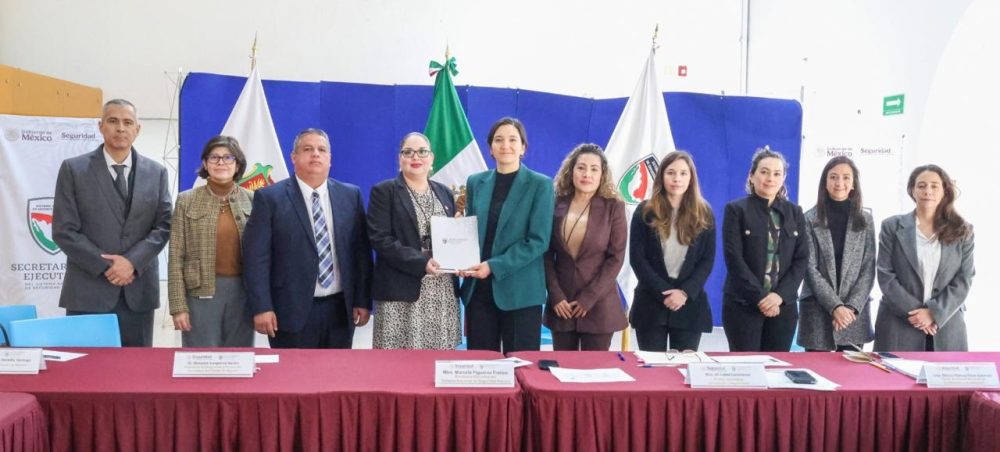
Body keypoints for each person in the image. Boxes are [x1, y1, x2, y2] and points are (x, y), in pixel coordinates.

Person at [52, 99, 172, 347]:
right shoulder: (74, 169)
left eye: (128, 122)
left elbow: (163, 226)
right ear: (101, 126)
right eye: (113, 121)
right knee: (86, 367)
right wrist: (108, 266)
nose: (120, 128)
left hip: (138, 292)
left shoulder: (156, 172)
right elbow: (64, 230)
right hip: (88, 291)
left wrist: (131, 262)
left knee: (137, 368)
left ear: (137, 129)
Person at [243, 128, 373, 349]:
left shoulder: (350, 195)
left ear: (330, 159)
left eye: (322, 150)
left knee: (336, 371)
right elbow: (256, 259)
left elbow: (361, 253)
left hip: (340, 310)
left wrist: (362, 300)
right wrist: (262, 306)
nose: (315, 154)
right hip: (289, 311)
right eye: (307, 149)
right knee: (292, 372)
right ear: (293, 157)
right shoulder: (269, 198)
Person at [461, 117, 554, 352]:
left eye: (513, 140)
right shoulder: (475, 182)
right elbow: (470, 230)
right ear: (490, 148)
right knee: (481, 365)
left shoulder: (540, 185)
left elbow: (538, 241)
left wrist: (493, 266)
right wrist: (460, 259)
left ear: (523, 147)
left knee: (520, 365)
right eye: (498, 140)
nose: (505, 145)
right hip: (479, 289)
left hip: (520, 291)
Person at [367, 132, 461, 349]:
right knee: (398, 362)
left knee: (437, 361)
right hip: (400, 294)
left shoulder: (445, 193)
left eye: (422, 152)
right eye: (408, 152)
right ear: (400, 158)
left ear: (432, 158)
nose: (415, 157)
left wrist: (460, 254)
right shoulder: (385, 191)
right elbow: (380, 239)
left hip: (441, 293)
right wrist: (421, 262)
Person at [874, 164, 974, 351]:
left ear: (944, 190)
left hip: (946, 326)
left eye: (934, 186)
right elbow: (885, 275)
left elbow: (964, 278)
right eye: (921, 186)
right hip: (898, 325)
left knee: (945, 371)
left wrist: (933, 313)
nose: (928, 191)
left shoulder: (962, 230)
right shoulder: (891, 226)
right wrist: (917, 314)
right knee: (895, 371)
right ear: (912, 190)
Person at [167, 136, 255, 347]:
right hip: (200, 293)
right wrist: (178, 306)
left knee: (239, 358)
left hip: (243, 293)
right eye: (214, 157)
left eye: (228, 157)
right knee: (201, 357)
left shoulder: (254, 200)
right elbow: (176, 257)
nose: (221, 162)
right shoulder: (186, 200)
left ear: (237, 165)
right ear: (205, 164)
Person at [722, 147, 809, 352]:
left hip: (782, 307)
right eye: (764, 172)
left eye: (777, 173)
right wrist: (761, 297)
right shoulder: (736, 210)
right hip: (743, 305)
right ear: (752, 176)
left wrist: (779, 296)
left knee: (777, 367)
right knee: (746, 367)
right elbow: (734, 259)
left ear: (783, 178)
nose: (770, 178)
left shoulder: (795, 212)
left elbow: (801, 259)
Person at [543, 143, 627, 351]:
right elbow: (545, 254)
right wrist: (555, 295)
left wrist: (589, 297)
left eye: (594, 169)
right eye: (581, 167)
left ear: (602, 175)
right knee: (561, 367)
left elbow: (616, 258)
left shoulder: (614, 207)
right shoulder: (554, 204)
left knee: (595, 369)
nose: (587, 174)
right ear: (571, 171)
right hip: (561, 306)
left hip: (599, 305)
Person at [629, 151, 716, 351]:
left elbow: (707, 260)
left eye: (683, 173)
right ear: (661, 176)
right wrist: (664, 293)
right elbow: (637, 258)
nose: (677, 178)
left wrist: (684, 292)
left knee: (683, 367)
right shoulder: (645, 211)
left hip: (688, 304)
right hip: (651, 302)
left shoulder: (704, 213)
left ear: (691, 178)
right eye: (671, 173)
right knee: (652, 366)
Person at [797, 156, 875, 351]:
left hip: (853, 314)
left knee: (851, 370)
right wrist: (835, 306)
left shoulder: (865, 220)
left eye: (846, 177)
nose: (839, 182)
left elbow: (868, 268)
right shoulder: (808, 218)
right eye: (833, 177)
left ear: (853, 184)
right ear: (825, 182)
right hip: (817, 310)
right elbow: (809, 268)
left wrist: (850, 307)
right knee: (815, 368)